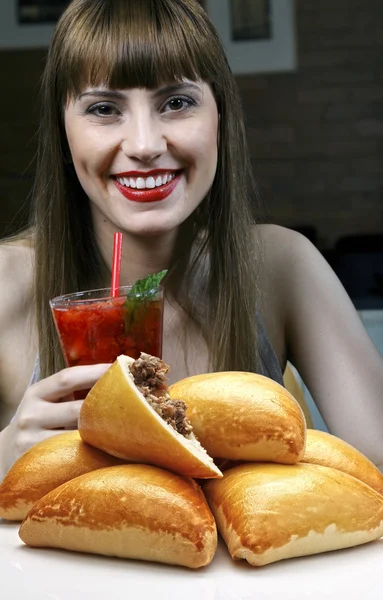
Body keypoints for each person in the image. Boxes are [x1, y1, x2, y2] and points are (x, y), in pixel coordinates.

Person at [0, 0, 382, 480]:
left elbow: (379, 465)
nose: (144, 144)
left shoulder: (281, 265)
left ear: (219, 115)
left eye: (176, 102)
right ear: (63, 132)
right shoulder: (6, 281)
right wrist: (5, 454)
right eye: (103, 108)